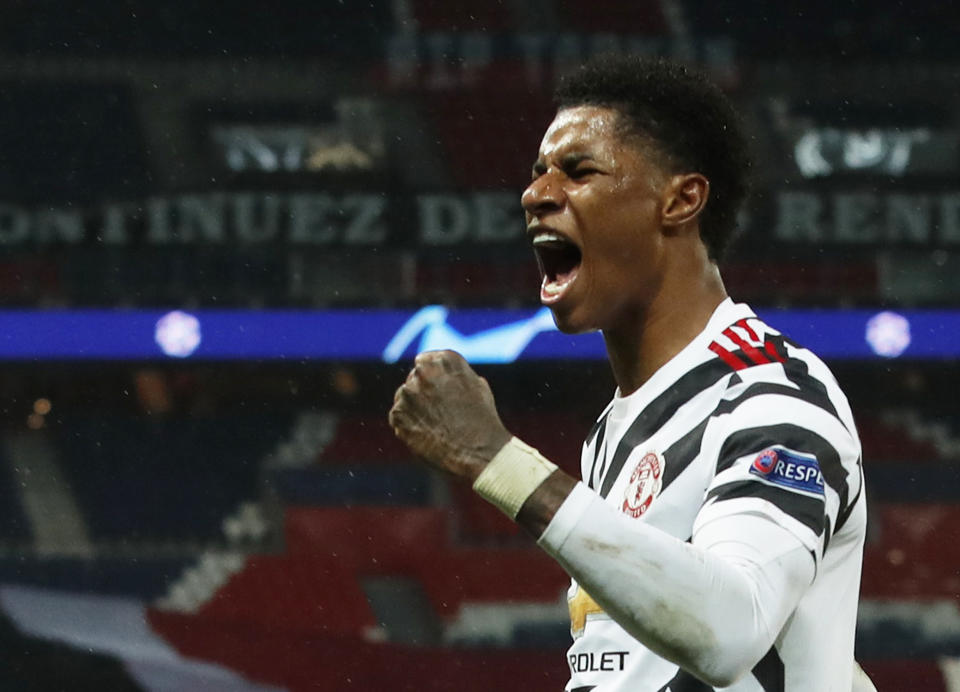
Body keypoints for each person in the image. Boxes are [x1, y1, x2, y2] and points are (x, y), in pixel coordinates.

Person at [388, 55, 872, 692]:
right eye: (537, 174)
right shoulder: (612, 432)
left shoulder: (771, 393)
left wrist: (496, 460)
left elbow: (732, 631)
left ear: (680, 200)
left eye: (578, 170)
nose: (535, 194)